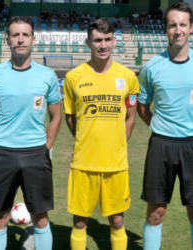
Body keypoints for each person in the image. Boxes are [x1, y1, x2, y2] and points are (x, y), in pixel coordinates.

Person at [0, 16, 62, 250]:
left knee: (41, 218)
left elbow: (56, 115)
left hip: (36, 154)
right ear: (7, 39)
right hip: (3, 154)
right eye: (15, 35)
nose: (20, 39)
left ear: (33, 40)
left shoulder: (47, 75)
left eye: (25, 35)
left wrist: (45, 147)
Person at [63, 18, 139, 250]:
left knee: (117, 221)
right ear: (88, 43)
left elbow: (131, 117)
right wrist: (86, 139)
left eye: (107, 39)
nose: (103, 45)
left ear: (114, 41)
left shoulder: (128, 77)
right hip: (83, 162)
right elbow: (70, 117)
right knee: (79, 222)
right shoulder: (73, 77)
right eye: (97, 40)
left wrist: (117, 144)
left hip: (115, 164)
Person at [137, 3, 193, 249]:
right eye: (172, 25)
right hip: (161, 145)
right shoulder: (151, 67)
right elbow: (142, 106)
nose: (177, 30)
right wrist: (159, 127)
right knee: (156, 213)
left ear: (191, 28)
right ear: (166, 30)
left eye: (183, 24)